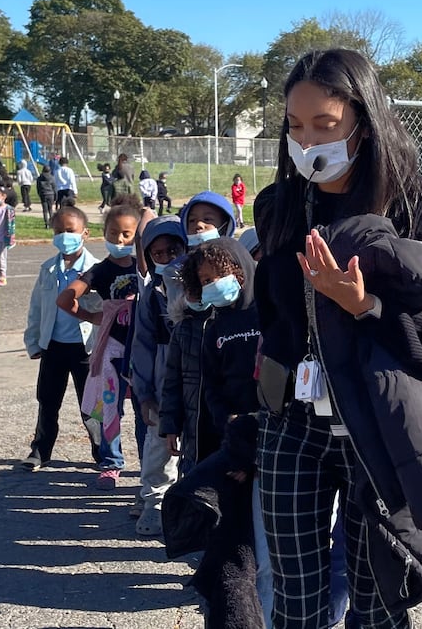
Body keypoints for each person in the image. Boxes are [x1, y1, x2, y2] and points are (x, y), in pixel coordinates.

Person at [253, 48, 422, 627]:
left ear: (365, 118)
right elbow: (272, 319)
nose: (308, 141)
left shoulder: (417, 203)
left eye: (325, 126)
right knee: (293, 602)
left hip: (377, 432)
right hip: (294, 429)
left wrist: (366, 306)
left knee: (378, 605)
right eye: (295, 127)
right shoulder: (277, 205)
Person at [162, 236, 264, 623]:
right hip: (231, 441)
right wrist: (232, 437)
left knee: (263, 553)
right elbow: (214, 390)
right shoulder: (214, 326)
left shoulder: (268, 316)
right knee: (226, 534)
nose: (213, 284)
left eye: (220, 274)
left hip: (268, 440)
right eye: (204, 280)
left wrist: (250, 447)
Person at [57, 201, 141, 489]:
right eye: (114, 233)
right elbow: (65, 299)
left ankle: (149, 464)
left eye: (127, 234)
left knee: (146, 410)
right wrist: (94, 316)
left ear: (137, 235)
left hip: (141, 349)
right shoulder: (100, 270)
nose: (119, 240)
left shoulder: (145, 267)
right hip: (113, 349)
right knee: (109, 408)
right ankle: (111, 463)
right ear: (103, 233)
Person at [19, 206, 100, 472]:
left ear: (84, 233)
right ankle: (41, 450)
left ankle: (103, 451)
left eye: (70, 231)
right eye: (58, 231)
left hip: (85, 349)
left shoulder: (95, 270)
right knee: (47, 400)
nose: (64, 236)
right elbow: (37, 308)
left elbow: (103, 310)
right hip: (53, 346)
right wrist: (33, 341)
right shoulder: (48, 270)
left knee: (91, 405)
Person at [128, 216, 186, 536]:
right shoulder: (152, 295)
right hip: (163, 384)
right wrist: (145, 394)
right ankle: (154, 502)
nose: (166, 259)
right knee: (158, 447)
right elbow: (143, 345)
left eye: (173, 250)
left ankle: (188, 504)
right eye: (158, 254)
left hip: (197, 383)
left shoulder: (202, 284)